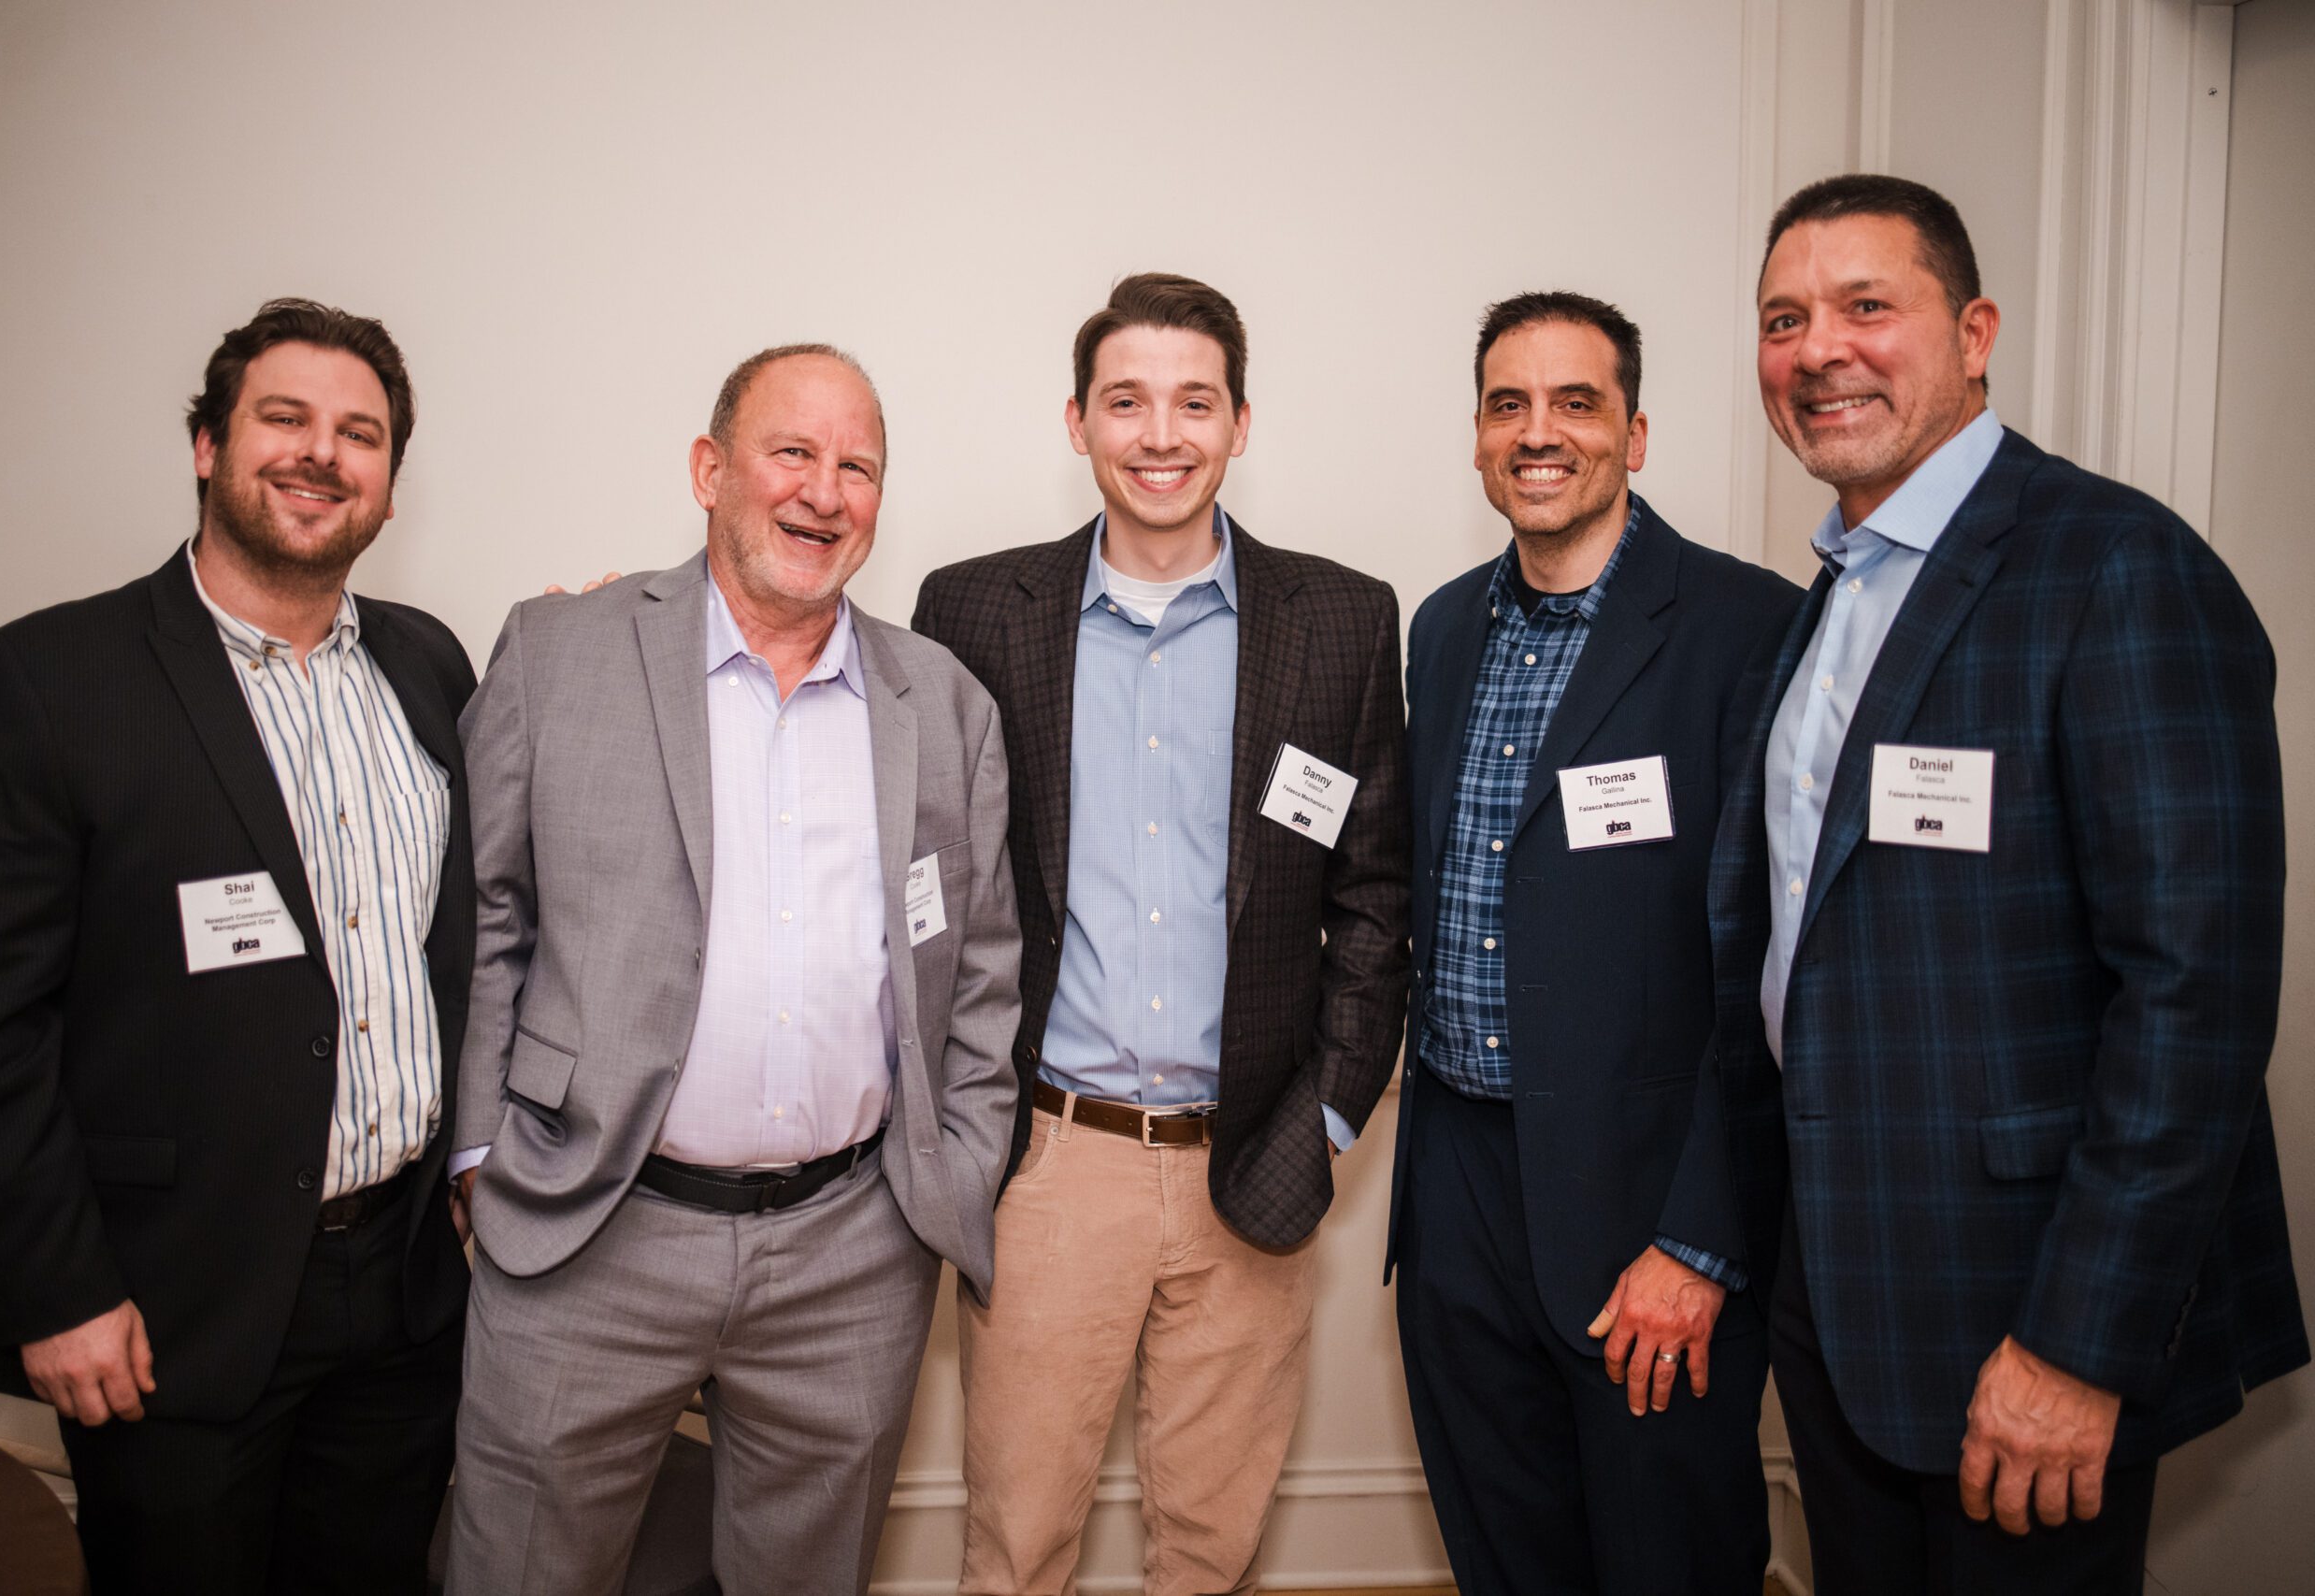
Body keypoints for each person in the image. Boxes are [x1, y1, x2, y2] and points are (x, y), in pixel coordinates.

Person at [1711, 172, 2309, 1593]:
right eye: (1785, 320)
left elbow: (2198, 1001)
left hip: (2025, 1312)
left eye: (1867, 306)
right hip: (1843, 1290)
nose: (1819, 350)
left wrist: (2079, 1344)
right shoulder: (1831, 602)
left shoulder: (2117, 568)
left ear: (1974, 334)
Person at [443, 343, 1021, 1596]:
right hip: (591, 1224)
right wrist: (483, 1151)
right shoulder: (558, 652)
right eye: (792, 453)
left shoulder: (944, 705)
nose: (825, 492)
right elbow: (488, 913)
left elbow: (979, 971)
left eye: (857, 467)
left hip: (851, 1251)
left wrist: (952, 1171)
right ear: (710, 471)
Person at [0, 299, 476, 1594]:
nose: (322, 453)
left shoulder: (429, 668)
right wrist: (55, 1291)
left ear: (390, 484)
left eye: (360, 435)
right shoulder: (46, 681)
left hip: (404, 1301)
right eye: (285, 419)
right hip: (169, 1311)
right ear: (208, 446)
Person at [913, 273, 1410, 1596]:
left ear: (1240, 423)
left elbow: (1375, 904)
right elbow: (922, 868)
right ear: (1077, 421)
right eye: (1126, 401)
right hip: (1049, 1166)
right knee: (1016, 1547)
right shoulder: (974, 611)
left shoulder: (1343, 621)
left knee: (1211, 1550)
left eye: (1195, 402)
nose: (1160, 434)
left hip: (1253, 1159)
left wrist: (1327, 1124)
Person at [1388, 292, 1799, 1594]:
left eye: (1576, 402)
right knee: (1503, 1550)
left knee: (1668, 1558)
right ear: (1476, 436)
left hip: (1646, 1196)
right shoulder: (1443, 628)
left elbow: (1775, 967)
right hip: (1458, 1177)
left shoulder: (1747, 628)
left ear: (1636, 431)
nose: (1538, 433)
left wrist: (1703, 1238)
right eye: (1508, 404)